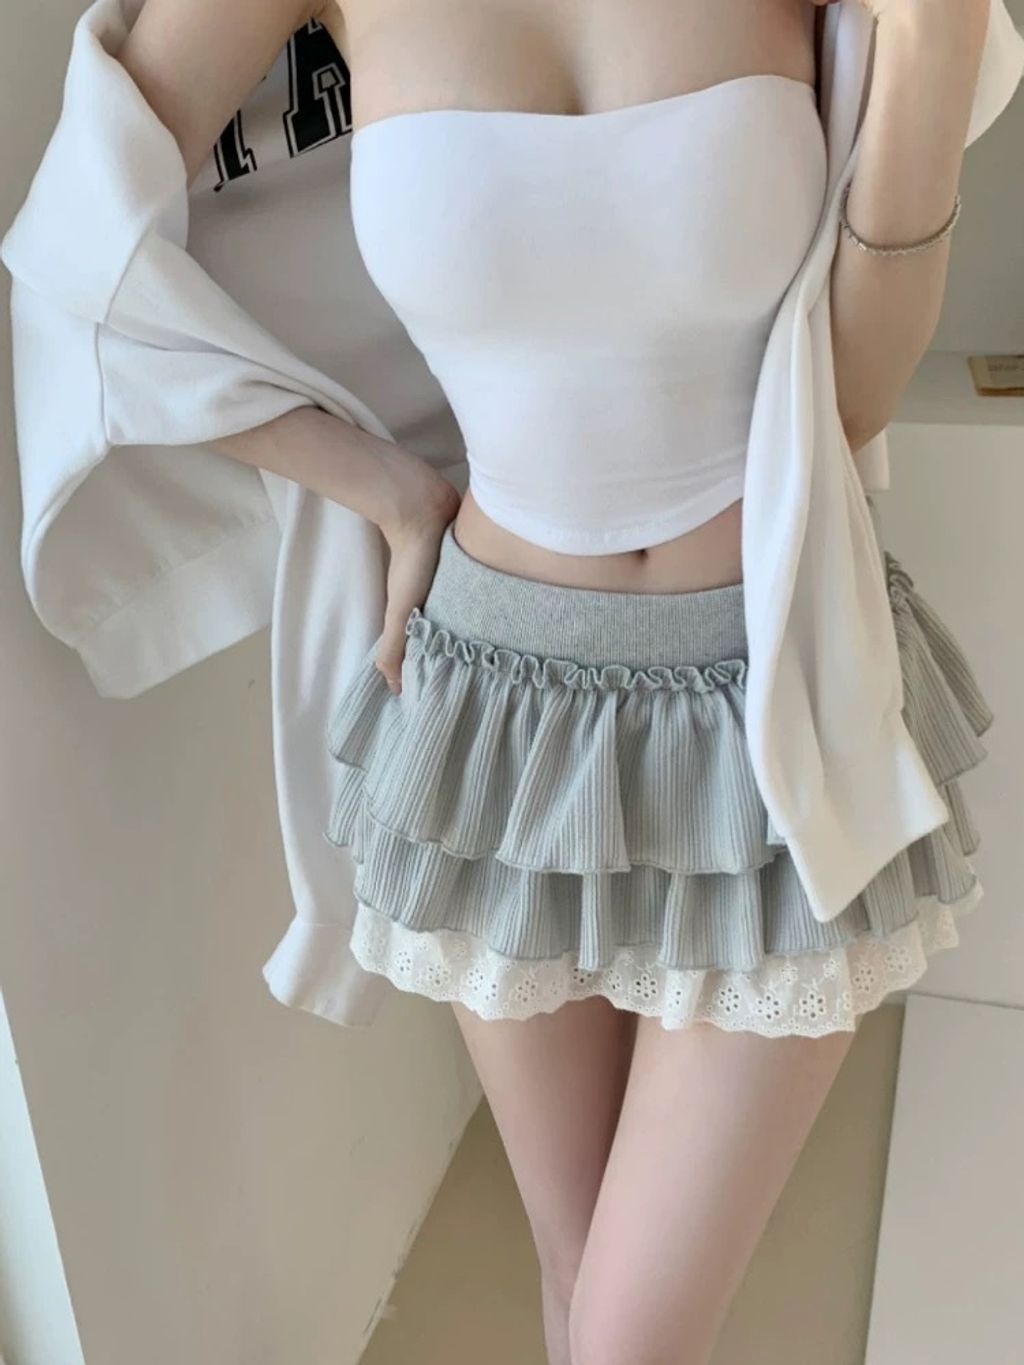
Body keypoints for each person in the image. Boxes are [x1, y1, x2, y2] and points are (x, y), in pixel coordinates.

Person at [91, 0, 1002, 1360]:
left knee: (630, 1335)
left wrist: (929, 48)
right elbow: (84, 251)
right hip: (491, 718)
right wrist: (380, 486)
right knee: (578, 1280)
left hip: (767, 699)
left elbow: (851, 395)